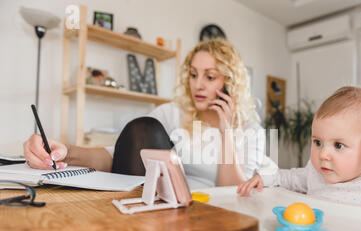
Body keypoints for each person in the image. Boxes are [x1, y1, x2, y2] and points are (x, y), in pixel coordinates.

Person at [23, 39, 267, 189]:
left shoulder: (251, 130)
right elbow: (119, 154)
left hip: (210, 211)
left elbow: (232, 191)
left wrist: (226, 133)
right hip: (159, 201)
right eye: (193, 74)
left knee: (146, 128)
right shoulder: (173, 113)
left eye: (210, 77)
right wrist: (65, 151)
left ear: (230, 83)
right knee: (143, 127)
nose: (198, 85)